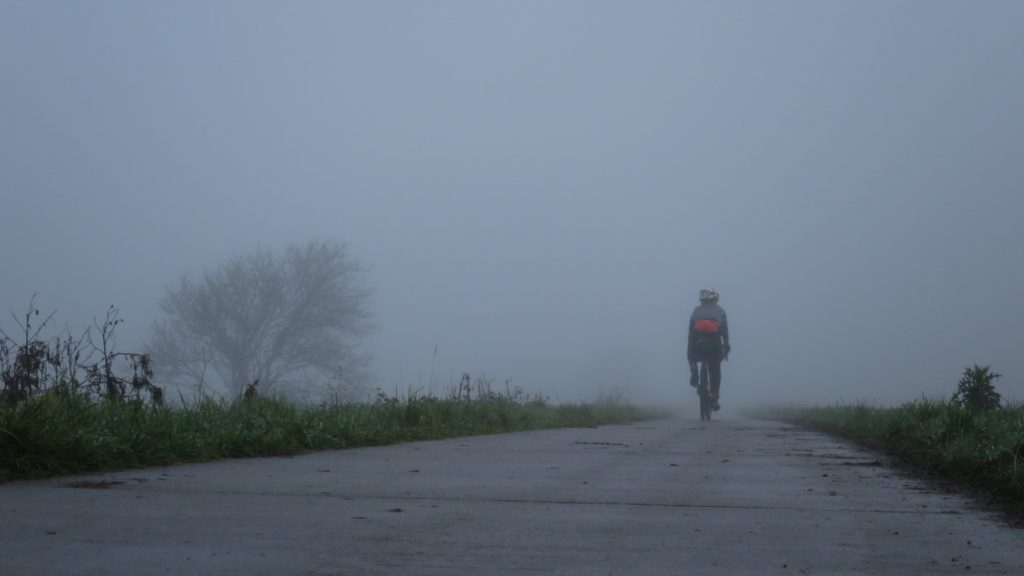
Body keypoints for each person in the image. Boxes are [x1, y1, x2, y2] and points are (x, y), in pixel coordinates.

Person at [688, 288, 730, 411]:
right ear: (715, 300)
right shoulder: (720, 311)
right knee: (715, 367)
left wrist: (691, 349)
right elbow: (724, 332)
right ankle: (715, 395)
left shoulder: (696, 310)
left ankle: (693, 367)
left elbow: (691, 330)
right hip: (714, 342)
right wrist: (726, 346)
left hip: (697, 341)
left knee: (691, 350)